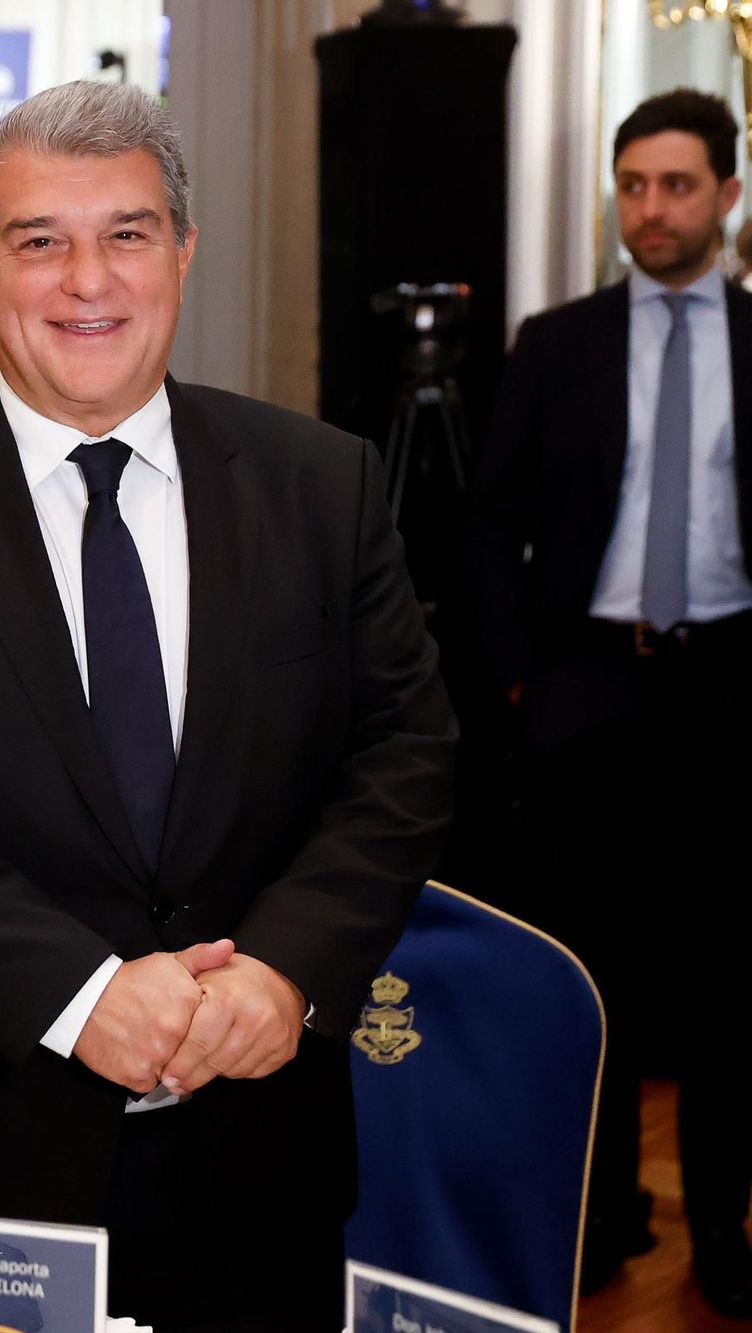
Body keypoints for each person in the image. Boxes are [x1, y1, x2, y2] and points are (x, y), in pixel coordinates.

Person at [0, 80, 456, 1332]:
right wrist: (82, 993)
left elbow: (402, 754)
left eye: (126, 233)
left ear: (181, 252)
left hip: (262, 1154)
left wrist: (289, 973)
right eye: (39, 241)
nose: (88, 280)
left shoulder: (321, 484)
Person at [472, 88, 752, 1317]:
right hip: (587, 687)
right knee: (586, 985)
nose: (649, 208)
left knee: (730, 987)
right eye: (631, 184)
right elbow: (489, 522)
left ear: (727, 198)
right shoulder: (556, 341)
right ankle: (590, 1224)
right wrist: (520, 681)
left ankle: (727, 1245)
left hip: (734, 691)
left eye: (676, 185)